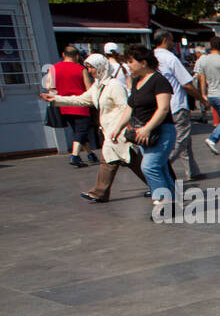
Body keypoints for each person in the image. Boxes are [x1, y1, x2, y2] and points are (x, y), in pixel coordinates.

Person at [41, 53, 147, 202]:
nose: (89, 71)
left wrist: (124, 128)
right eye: (88, 67)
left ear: (100, 67)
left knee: (126, 161)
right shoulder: (97, 86)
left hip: (119, 131)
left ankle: (158, 185)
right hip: (110, 132)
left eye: (91, 67)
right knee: (118, 161)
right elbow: (81, 100)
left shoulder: (114, 86)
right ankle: (100, 193)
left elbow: (125, 107)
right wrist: (55, 99)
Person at [115, 43, 176, 210]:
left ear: (143, 62)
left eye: (131, 61)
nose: (128, 65)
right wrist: (118, 127)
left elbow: (163, 108)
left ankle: (163, 201)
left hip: (161, 131)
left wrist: (148, 128)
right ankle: (171, 200)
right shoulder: (137, 81)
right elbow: (130, 107)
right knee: (160, 167)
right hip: (142, 133)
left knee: (150, 166)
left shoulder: (159, 81)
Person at [154, 30, 206, 181]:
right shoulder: (171, 58)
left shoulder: (152, 57)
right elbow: (187, 84)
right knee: (180, 140)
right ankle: (158, 168)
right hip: (177, 104)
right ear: (164, 40)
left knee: (185, 140)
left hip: (160, 105)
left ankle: (192, 170)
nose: (173, 43)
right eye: (171, 40)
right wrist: (202, 99)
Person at [51, 45, 95, 167]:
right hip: (80, 104)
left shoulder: (53, 69)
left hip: (64, 105)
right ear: (76, 56)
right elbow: (89, 88)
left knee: (78, 131)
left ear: (63, 55)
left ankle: (90, 154)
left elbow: (50, 88)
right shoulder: (81, 69)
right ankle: (74, 155)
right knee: (81, 130)